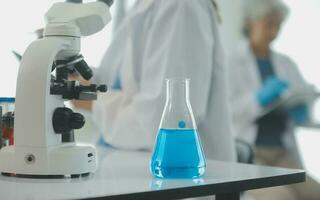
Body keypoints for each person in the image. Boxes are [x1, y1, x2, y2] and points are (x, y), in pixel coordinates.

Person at [91, 0, 236, 162]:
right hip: (130, 162)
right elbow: (120, 79)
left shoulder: (181, 6)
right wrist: (84, 78)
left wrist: (92, 101)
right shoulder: (143, 5)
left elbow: (166, 117)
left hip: (182, 173)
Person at [228, 0, 320, 199]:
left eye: (278, 25)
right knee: (281, 197)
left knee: (315, 193)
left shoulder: (286, 63)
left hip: (282, 154)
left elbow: (302, 102)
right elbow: (225, 113)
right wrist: (257, 99)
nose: (273, 31)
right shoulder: (231, 61)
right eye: (268, 24)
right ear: (251, 21)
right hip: (251, 155)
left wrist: (301, 110)